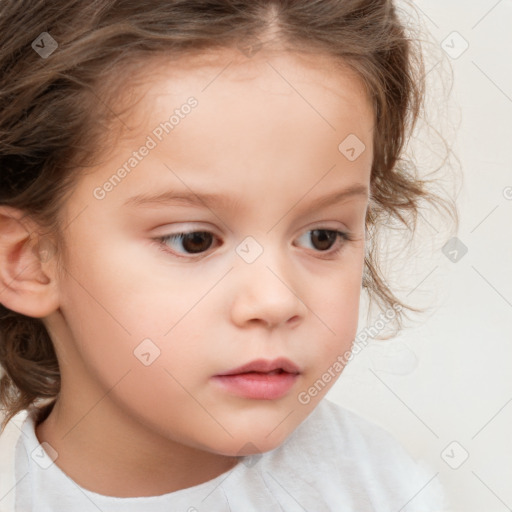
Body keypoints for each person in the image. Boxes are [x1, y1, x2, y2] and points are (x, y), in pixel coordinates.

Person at [0, 1, 457, 510]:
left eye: (322, 237)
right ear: (28, 260)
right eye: (194, 240)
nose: (276, 300)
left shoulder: (385, 490)